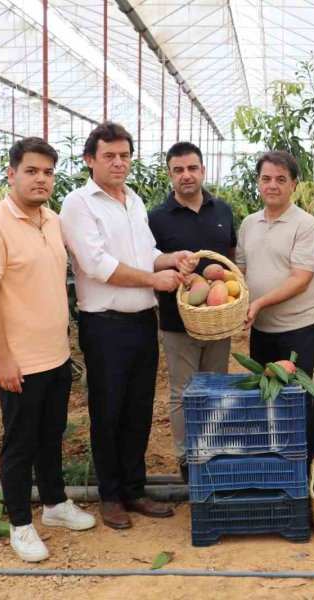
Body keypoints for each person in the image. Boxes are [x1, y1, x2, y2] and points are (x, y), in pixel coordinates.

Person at [59, 122, 195, 530]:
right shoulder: (79, 204)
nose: (119, 163)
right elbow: (97, 264)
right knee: (108, 410)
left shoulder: (133, 200)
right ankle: (111, 495)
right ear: (90, 160)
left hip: (140, 322)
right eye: (109, 156)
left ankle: (135, 489)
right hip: (105, 326)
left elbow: (144, 251)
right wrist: (155, 280)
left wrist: (170, 259)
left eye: (124, 156)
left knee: (138, 410)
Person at [0, 137, 96, 562]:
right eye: (32, 171)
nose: (41, 179)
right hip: (18, 360)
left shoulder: (52, 221)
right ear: (12, 174)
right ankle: (19, 522)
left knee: (51, 434)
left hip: (55, 354)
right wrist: (3, 358)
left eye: (47, 172)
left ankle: (56, 504)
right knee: (19, 443)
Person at [148, 142, 236, 482]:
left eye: (192, 168)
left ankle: (212, 450)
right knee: (184, 392)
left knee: (216, 388)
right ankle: (188, 460)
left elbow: (229, 256)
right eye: (179, 170)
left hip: (218, 321)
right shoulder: (157, 218)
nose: (187, 175)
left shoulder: (223, 211)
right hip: (176, 320)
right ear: (170, 174)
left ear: (202, 170)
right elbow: (150, 262)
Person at [235, 150, 314, 375]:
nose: (272, 185)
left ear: (294, 184)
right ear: (258, 182)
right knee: (264, 396)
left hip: (297, 329)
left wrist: (259, 303)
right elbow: (240, 272)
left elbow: (300, 280)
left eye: (280, 179)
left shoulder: (305, 225)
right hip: (261, 327)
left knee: (293, 399)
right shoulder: (248, 224)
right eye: (266, 179)